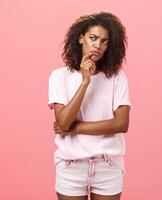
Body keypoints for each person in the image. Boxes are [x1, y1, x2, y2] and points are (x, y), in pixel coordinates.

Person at [48, 11, 131, 200]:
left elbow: (121, 124)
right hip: (71, 165)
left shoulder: (117, 77)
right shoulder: (60, 76)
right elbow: (63, 121)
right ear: (80, 38)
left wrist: (73, 128)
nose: (98, 45)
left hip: (107, 165)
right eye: (93, 38)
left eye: (104, 41)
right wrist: (85, 81)